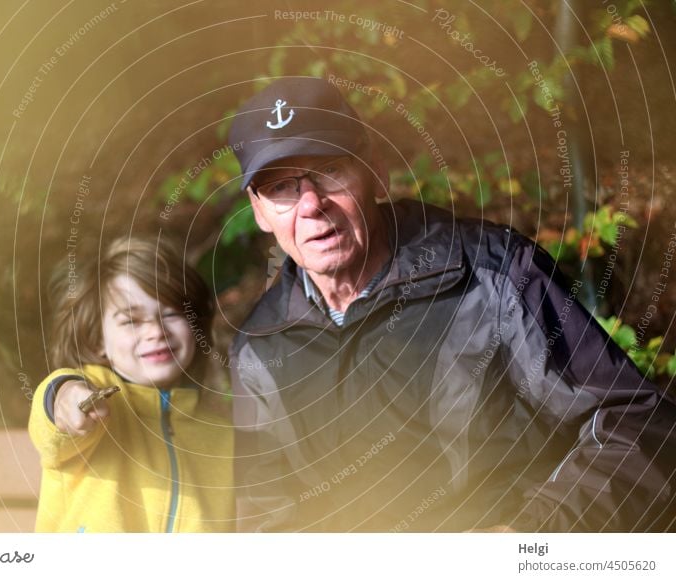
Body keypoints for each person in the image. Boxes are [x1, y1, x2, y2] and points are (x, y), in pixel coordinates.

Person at [226, 76, 676, 532]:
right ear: (259, 210)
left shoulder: (494, 278)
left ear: (375, 169)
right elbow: (268, 524)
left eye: (329, 171)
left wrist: (529, 538)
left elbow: (639, 425)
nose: (310, 205)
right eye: (281, 187)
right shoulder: (258, 351)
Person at [28, 235, 234, 532]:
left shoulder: (222, 435)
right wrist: (68, 398)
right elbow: (56, 403)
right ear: (98, 339)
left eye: (171, 314)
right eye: (130, 321)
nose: (155, 331)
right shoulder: (95, 396)